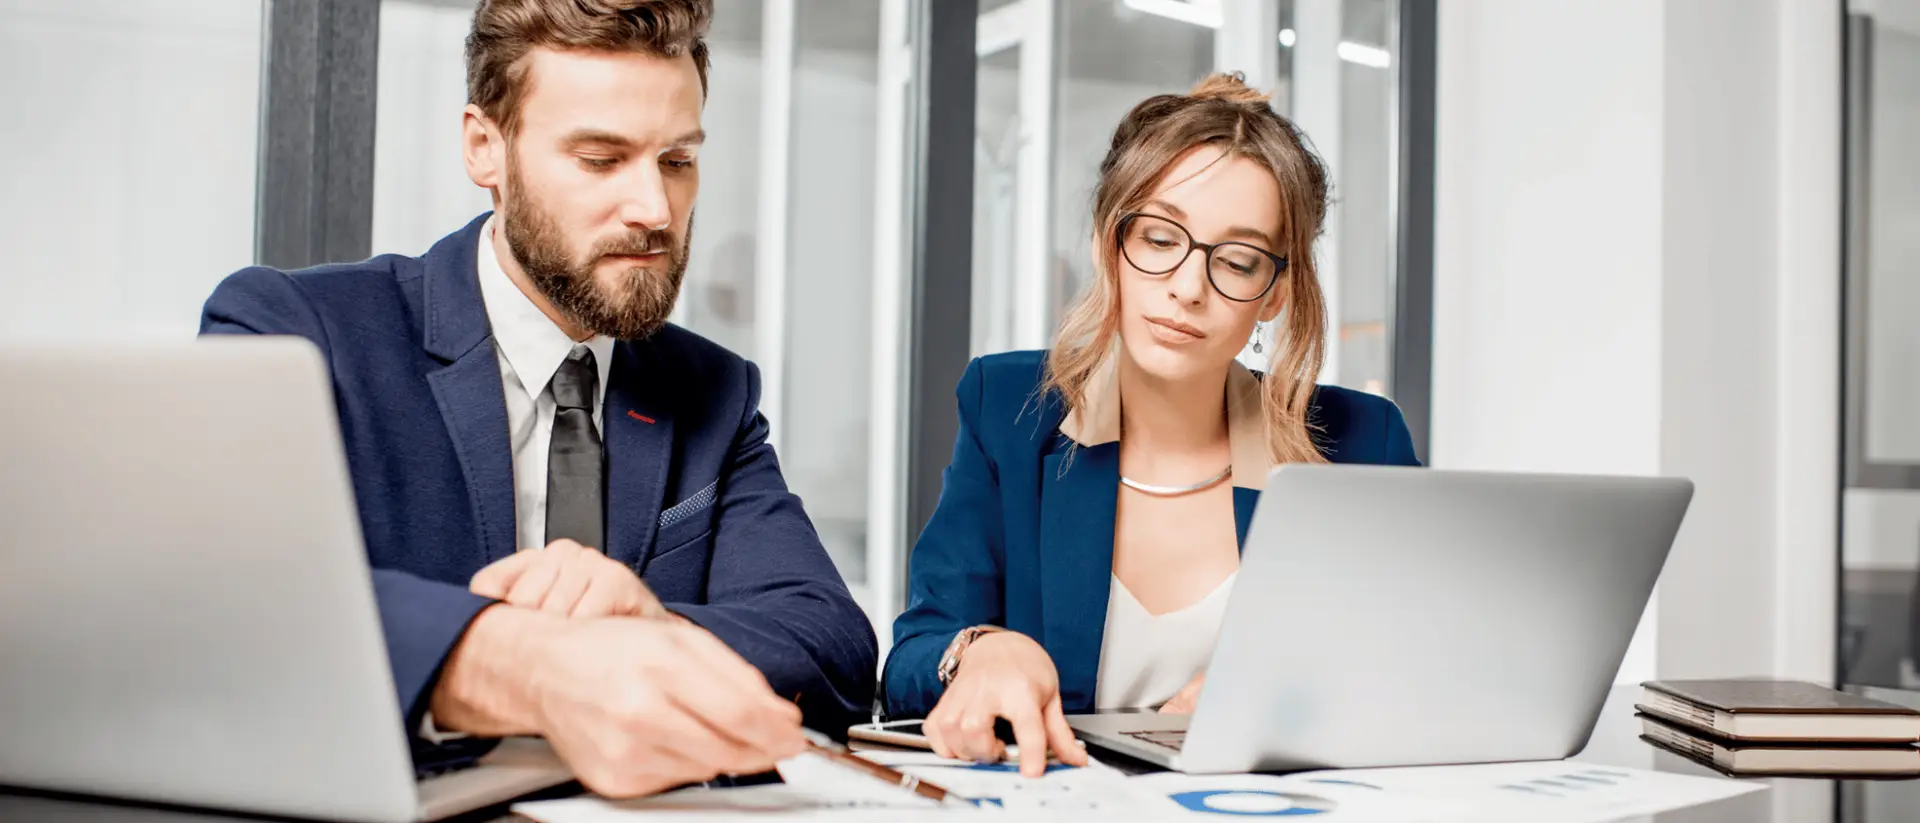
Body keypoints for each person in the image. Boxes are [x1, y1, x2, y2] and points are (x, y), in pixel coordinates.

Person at [199, 0, 875, 798]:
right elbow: (225, 595)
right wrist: (524, 662)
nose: (654, 210)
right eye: (600, 159)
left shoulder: (712, 390)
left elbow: (831, 644)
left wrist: (654, 632)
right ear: (485, 147)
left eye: (677, 161)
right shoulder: (298, 333)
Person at [883, 73, 1421, 776]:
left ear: (1274, 294)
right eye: (1161, 238)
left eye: (1236, 260)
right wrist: (977, 650)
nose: (1188, 287)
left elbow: (1419, 666)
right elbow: (910, 659)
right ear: (1114, 243)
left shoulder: (1363, 441)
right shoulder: (1009, 407)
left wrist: (1295, 699)